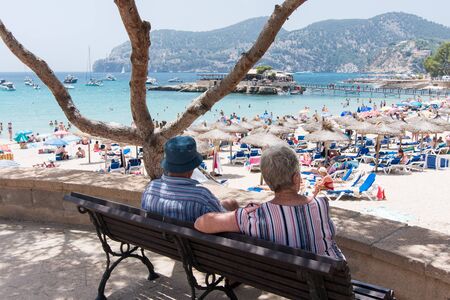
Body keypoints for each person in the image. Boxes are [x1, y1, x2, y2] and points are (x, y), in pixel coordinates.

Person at [194, 145, 344, 260]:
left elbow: (200, 223)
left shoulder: (253, 216)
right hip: (331, 284)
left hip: (282, 281)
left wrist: (244, 211)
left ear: (267, 181)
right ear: (296, 178)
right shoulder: (321, 205)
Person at [141, 136, 239, 222]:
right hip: (190, 243)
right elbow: (224, 220)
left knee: (229, 203)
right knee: (232, 203)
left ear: (167, 165)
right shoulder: (201, 197)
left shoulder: (151, 188)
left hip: (157, 241)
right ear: (192, 168)